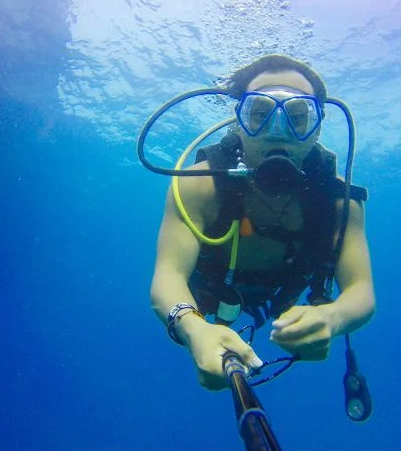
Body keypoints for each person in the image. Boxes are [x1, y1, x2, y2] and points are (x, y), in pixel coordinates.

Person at [148, 55, 376, 391]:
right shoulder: (198, 186)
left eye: (298, 119)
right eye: (260, 115)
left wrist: (331, 317)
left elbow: (361, 291)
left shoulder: (340, 201)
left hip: (283, 293)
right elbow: (168, 275)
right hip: (211, 289)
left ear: (316, 129)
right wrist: (192, 327)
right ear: (238, 121)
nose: (276, 133)